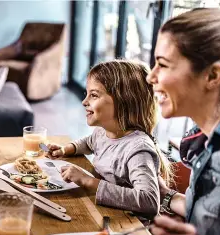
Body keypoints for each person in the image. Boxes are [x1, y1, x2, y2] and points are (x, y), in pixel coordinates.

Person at [145, 7, 220, 235]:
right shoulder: (210, 139)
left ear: (212, 76)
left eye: (162, 64)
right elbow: (219, 219)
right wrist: (166, 197)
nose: (150, 76)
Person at [46, 60, 172, 217]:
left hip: (127, 225)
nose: (84, 102)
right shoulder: (102, 132)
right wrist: (65, 149)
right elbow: (88, 142)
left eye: (93, 95)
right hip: (103, 211)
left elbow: (149, 201)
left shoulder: (138, 149)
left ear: (124, 101)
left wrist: (88, 181)